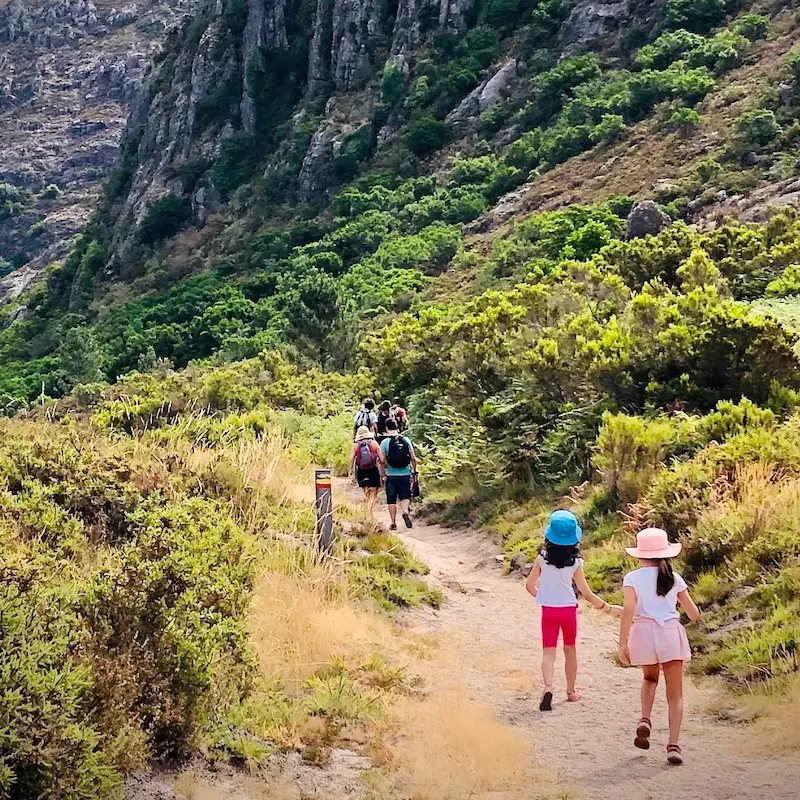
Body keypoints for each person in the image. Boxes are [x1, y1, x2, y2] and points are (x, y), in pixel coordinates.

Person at [618, 528, 701, 766]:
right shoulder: (674, 578)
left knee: (650, 679)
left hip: (644, 632)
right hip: (669, 632)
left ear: (640, 554)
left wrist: (623, 642)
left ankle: (645, 719)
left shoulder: (632, 578)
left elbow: (629, 610)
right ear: (665, 553)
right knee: (675, 695)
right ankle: (673, 746)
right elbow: (693, 613)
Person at [525, 510, 622, 711]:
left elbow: (529, 585)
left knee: (548, 652)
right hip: (568, 611)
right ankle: (570, 691)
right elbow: (586, 593)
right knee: (570, 650)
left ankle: (548, 687)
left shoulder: (542, 559)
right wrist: (609, 608)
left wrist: (543, 596)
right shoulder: (575, 563)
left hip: (548, 612)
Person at [378, 418, 416, 530]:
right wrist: (414, 470)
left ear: (386, 428)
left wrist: (383, 475)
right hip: (405, 474)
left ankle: (393, 522)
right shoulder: (406, 440)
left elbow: (381, 461)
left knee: (391, 499)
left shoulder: (385, 443)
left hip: (391, 475)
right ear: (397, 427)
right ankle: (405, 511)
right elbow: (413, 457)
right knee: (405, 496)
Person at [349, 426, 382, 512]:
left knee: (367, 495)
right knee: (373, 495)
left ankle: (369, 513)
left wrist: (350, 472)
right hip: (373, 470)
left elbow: (351, 458)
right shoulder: (374, 443)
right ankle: (369, 512)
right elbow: (382, 459)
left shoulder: (355, 445)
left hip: (361, 471)